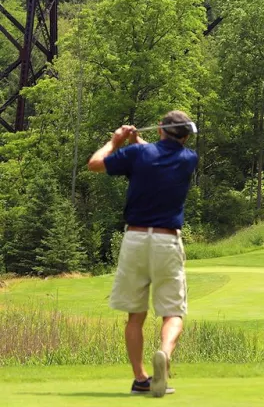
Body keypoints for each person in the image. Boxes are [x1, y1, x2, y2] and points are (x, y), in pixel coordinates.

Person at [88, 110, 199, 398]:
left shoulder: (139, 155)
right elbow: (156, 154)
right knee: (173, 313)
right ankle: (163, 352)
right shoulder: (189, 159)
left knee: (135, 315)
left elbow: (95, 164)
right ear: (185, 136)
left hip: (135, 238)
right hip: (167, 241)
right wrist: (139, 141)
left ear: (161, 129)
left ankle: (140, 378)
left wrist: (115, 141)